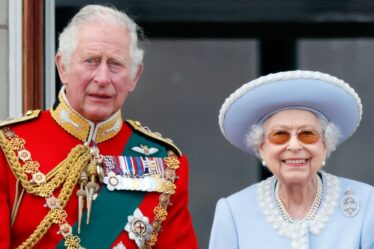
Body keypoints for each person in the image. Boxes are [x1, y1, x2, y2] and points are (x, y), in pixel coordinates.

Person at [0, 5, 198, 249]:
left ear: (134, 76)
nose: (103, 78)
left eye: (116, 64)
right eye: (91, 61)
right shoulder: (8, 146)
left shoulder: (165, 164)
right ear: (63, 67)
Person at [209, 70, 374, 249]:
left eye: (307, 134)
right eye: (280, 135)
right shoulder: (233, 212)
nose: (294, 146)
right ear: (262, 147)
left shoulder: (367, 203)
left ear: (325, 144)